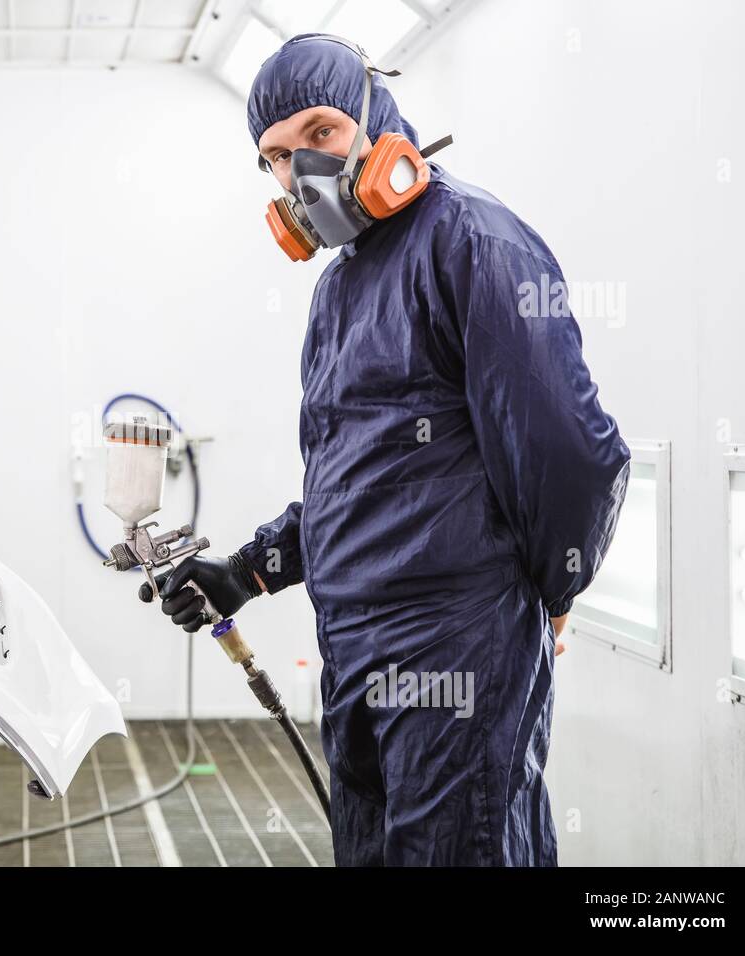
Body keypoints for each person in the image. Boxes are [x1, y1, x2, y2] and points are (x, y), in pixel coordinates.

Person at [145, 34, 630, 866]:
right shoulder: (339, 285)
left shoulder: (474, 242)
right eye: (277, 156)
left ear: (378, 120)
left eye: (322, 134)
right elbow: (357, 479)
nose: (303, 172)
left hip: (458, 644)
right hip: (354, 649)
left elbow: (569, 447)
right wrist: (250, 570)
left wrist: (559, 584)